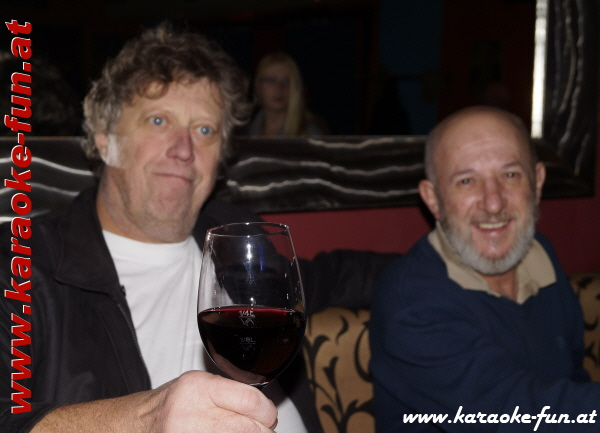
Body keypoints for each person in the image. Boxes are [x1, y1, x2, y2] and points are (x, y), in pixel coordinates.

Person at [0, 23, 395, 432]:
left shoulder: (237, 240)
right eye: (158, 120)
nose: (184, 149)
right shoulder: (23, 266)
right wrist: (144, 420)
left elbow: (337, 276)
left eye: (204, 130)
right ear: (105, 138)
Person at [370, 106, 600, 432]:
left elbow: (573, 376)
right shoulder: (410, 302)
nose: (493, 203)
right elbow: (515, 415)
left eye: (510, 175)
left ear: (537, 183)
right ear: (433, 199)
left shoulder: (541, 255)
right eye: (467, 181)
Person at [242, 51, 326, 137]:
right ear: (257, 85)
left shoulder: (310, 136)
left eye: (286, 81)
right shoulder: (244, 133)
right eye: (271, 80)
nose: (279, 88)